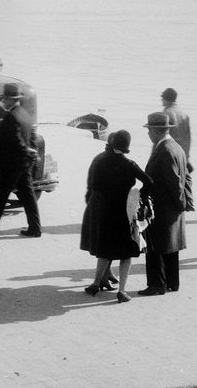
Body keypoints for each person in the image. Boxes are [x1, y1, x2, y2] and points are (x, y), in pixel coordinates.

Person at [80, 130, 153, 303]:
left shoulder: (101, 161)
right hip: (124, 212)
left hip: (105, 211)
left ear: (112, 144)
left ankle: (96, 283)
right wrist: (139, 195)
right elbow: (149, 181)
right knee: (126, 252)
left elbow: (95, 186)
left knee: (105, 249)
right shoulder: (129, 164)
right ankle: (122, 291)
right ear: (127, 146)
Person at [0, 82, 42, 237]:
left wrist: (26, 150)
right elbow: (31, 136)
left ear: (11, 100)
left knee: (1, 194)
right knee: (27, 196)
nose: (4, 102)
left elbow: (15, 140)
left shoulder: (11, 117)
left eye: (6, 99)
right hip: (23, 163)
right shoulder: (24, 114)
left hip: (12, 164)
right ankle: (35, 228)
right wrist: (31, 152)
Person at [138, 112, 189, 296]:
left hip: (162, 206)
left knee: (155, 246)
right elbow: (186, 177)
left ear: (156, 130)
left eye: (149, 130)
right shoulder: (177, 147)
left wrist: (178, 202)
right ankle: (172, 282)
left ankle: (157, 285)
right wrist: (183, 203)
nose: (148, 134)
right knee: (171, 245)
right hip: (172, 207)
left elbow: (174, 183)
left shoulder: (164, 150)